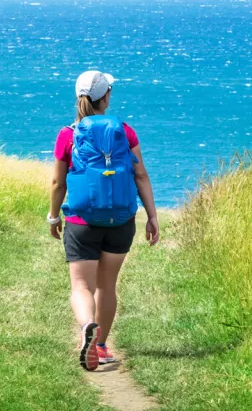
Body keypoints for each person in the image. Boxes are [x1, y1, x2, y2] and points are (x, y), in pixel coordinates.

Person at [47, 70, 160, 371]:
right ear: (106, 97)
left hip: (81, 221)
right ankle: (100, 346)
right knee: (107, 284)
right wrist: (152, 215)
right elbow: (140, 175)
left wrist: (53, 216)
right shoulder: (125, 131)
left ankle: (87, 325)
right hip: (120, 220)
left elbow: (58, 184)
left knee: (81, 284)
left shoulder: (68, 135)